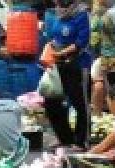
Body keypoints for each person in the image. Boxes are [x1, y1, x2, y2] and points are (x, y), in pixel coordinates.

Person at [44, 0, 92, 149]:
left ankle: (81, 140)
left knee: (79, 103)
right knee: (52, 101)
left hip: (77, 65)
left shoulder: (81, 14)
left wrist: (61, 53)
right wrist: (50, 50)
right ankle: (65, 137)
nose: (56, 3)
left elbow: (81, 42)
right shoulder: (58, 14)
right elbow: (54, 37)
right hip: (58, 65)